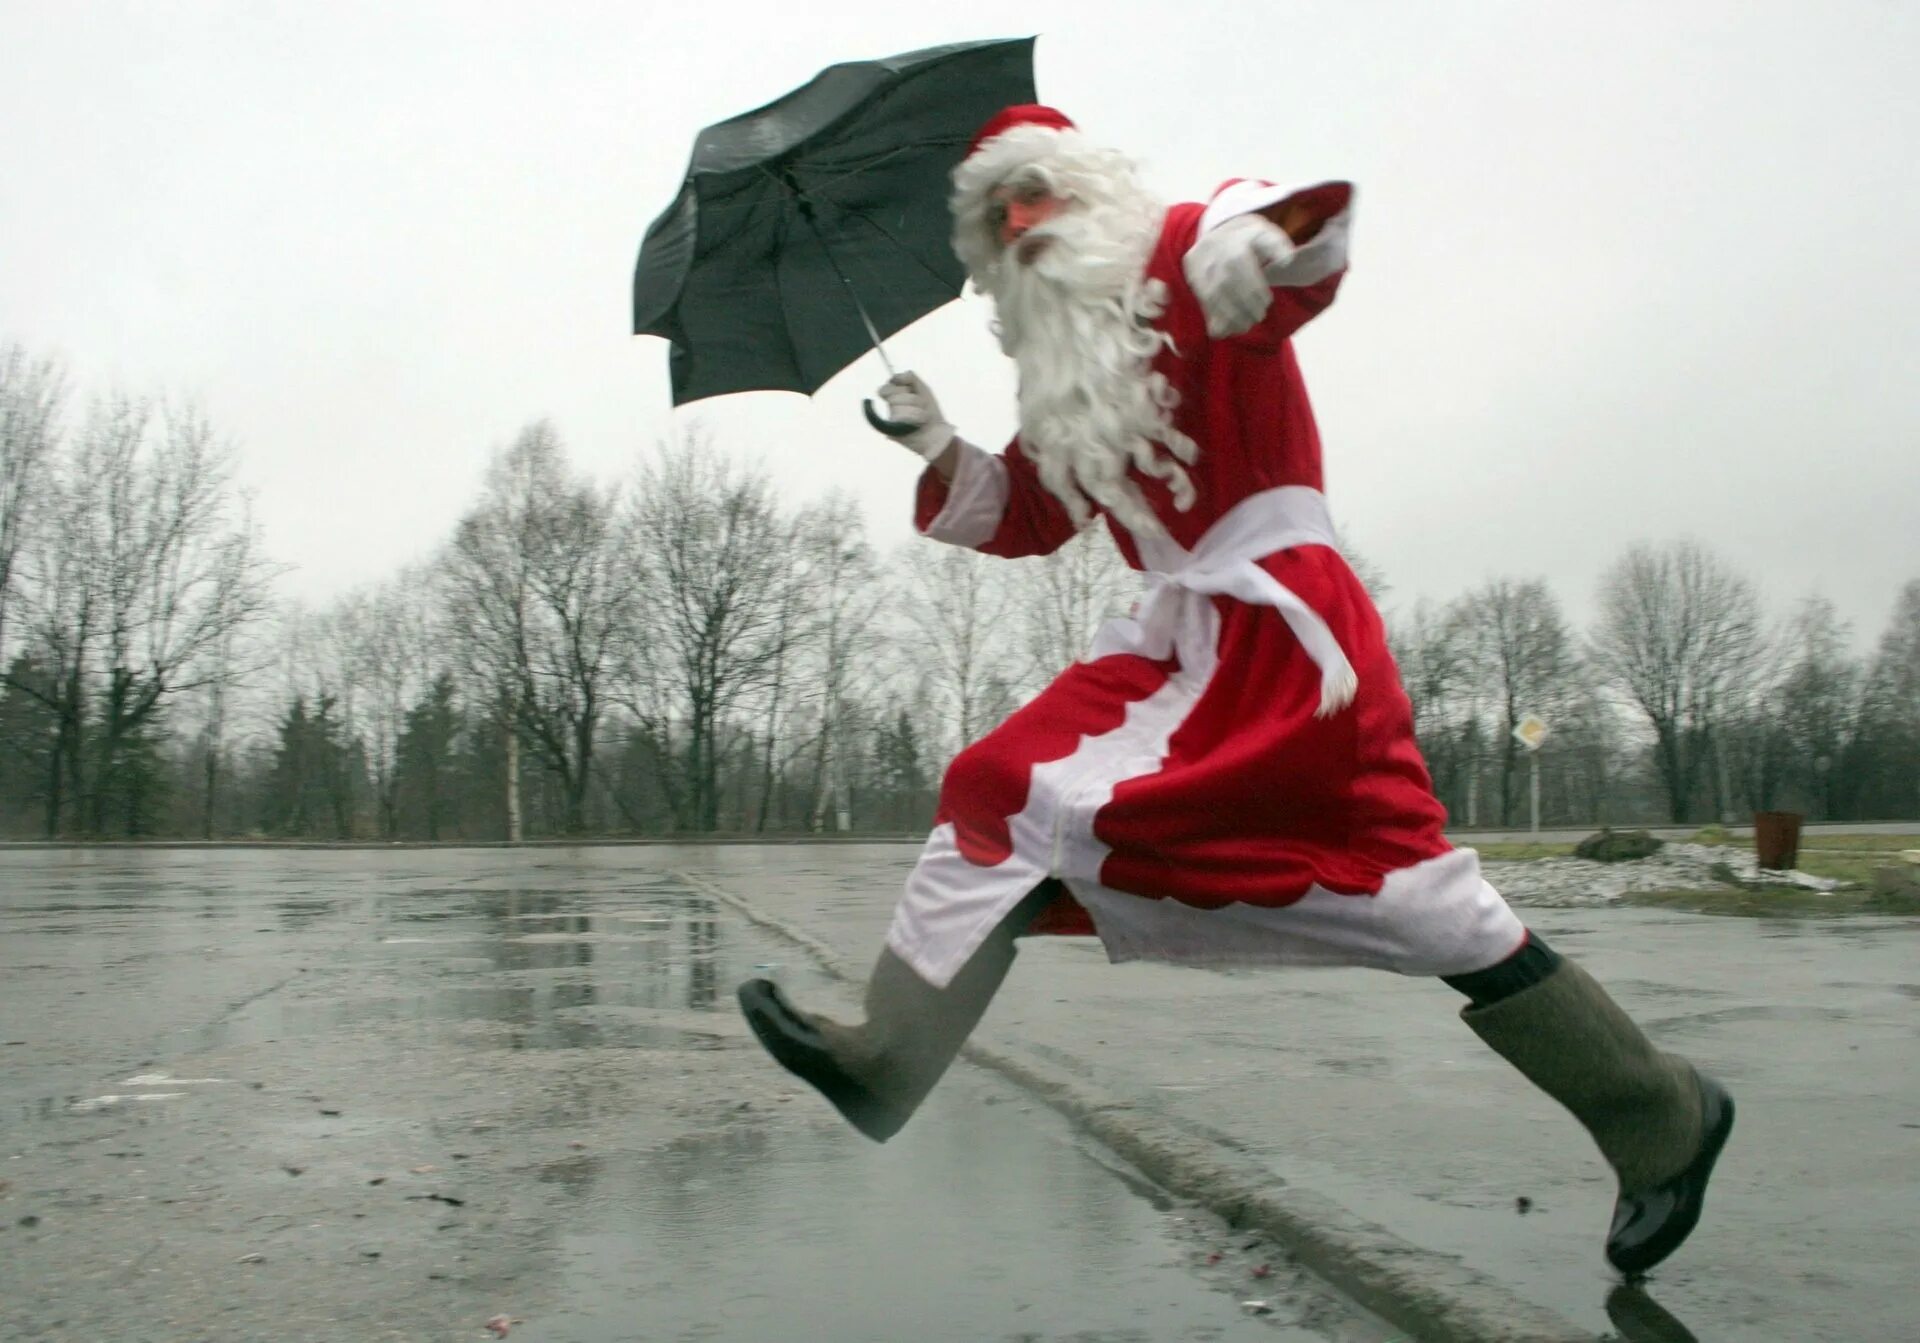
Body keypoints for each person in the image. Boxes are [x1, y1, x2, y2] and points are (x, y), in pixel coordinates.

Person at [738, 104, 1732, 1276]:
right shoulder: (1063, 378)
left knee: (1425, 904)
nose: (1019, 224)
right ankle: (886, 1053)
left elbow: (1293, 242)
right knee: (999, 786)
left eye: (1035, 192)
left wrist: (1261, 239)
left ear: (1087, 188)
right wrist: (941, 448)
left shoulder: (1183, 251)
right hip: (1167, 650)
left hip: (1287, 640)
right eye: (995, 220)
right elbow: (1035, 514)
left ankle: (1658, 1109)